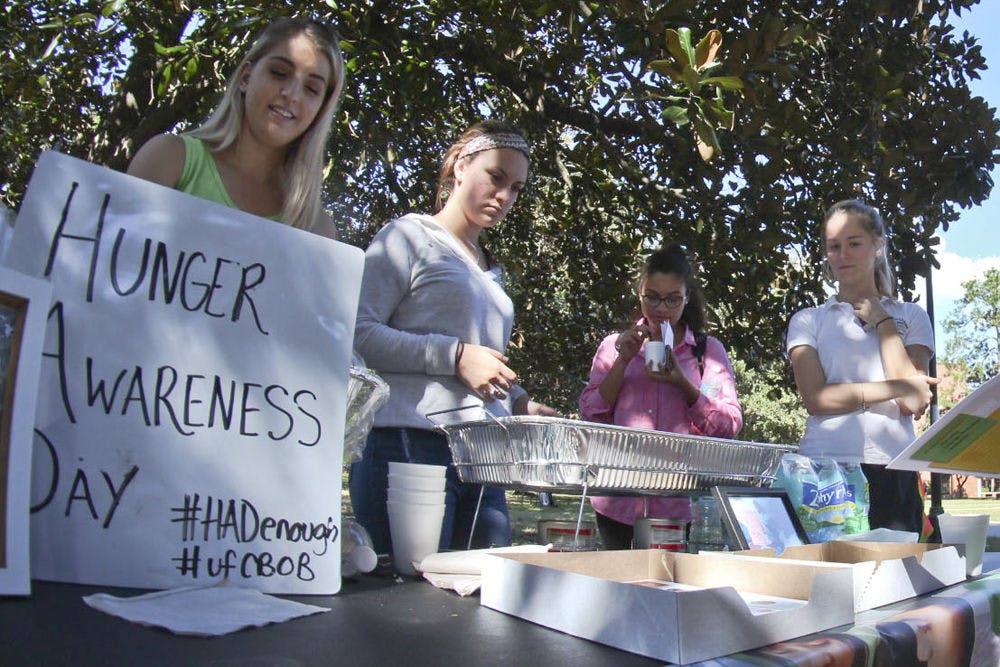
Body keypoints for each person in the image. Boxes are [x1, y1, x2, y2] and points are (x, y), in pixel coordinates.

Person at [350, 120, 556, 556]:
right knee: (409, 608)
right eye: (496, 177)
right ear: (461, 166)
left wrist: (517, 400)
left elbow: (481, 363)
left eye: (516, 188)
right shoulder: (408, 236)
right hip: (410, 444)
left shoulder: (492, 271)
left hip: (483, 456)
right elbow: (358, 331)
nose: (504, 197)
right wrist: (455, 356)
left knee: (485, 598)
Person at [787, 199, 937, 535]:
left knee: (898, 580)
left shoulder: (910, 316)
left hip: (893, 467)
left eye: (854, 243)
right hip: (825, 471)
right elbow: (816, 399)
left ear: (878, 246)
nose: (843, 254)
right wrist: (896, 386)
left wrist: (883, 322)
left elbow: (913, 402)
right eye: (834, 246)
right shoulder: (808, 320)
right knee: (828, 579)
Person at [579, 244, 743, 549]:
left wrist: (684, 385)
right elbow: (591, 414)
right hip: (617, 500)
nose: (661, 308)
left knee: (668, 589)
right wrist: (623, 360)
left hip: (677, 504)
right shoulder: (614, 346)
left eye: (672, 300)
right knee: (621, 588)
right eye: (652, 297)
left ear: (686, 298)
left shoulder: (706, 353)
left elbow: (729, 425)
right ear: (639, 292)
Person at [127, 17, 345, 238]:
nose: (292, 94)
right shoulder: (169, 158)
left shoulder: (317, 229)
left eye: (311, 88)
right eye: (279, 73)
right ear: (246, 77)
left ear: (321, 109)